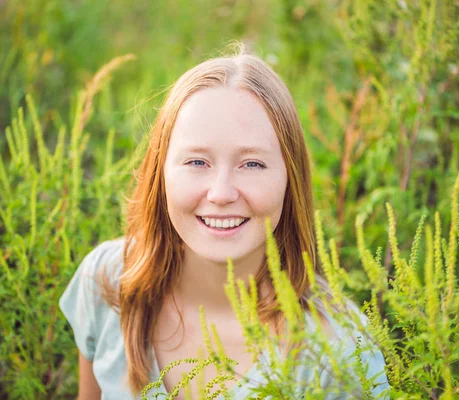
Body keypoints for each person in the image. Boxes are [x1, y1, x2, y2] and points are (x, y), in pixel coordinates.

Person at [59, 44, 390, 400]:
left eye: (252, 164)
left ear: (289, 180)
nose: (220, 193)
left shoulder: (339, 349)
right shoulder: (108, 281)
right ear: (161, 174)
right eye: (197, 162)